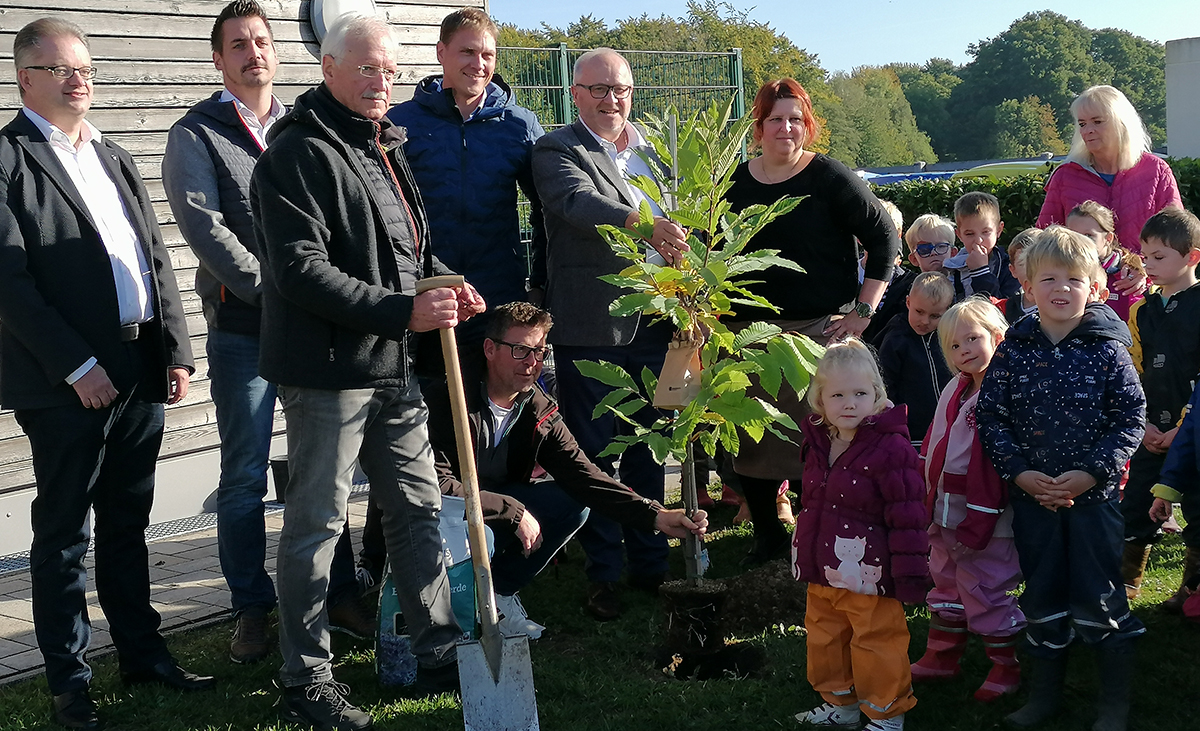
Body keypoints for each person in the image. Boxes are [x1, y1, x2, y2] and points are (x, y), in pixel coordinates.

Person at [250, 13, 485, 730]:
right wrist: (400, 312)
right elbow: (299, 272)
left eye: (387, 69)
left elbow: (406, 255)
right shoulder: (296, 155)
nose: (381, 81)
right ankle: (305, 679)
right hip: (328, 375)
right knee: (317, 526)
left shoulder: (385, 145)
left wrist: (446, 281)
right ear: (327, 69)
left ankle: (437, 645)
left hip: (393, 367)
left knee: (416, 507)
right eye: (365, 69)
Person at [0, 17, 212, 730]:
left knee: (128, 522)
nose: (78, 78)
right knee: (63, 535)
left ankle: (142, 651)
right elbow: (10, 283)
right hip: (65, 380)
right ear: (25, 78)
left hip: (138, 363)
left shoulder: (112, 153)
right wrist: (77, 365)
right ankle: (69, 682)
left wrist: (175, 347)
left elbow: (152, 255)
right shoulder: (8, 160)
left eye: (84, 67)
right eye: (60, 68)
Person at [161, 0, 369, 665]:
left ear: (277, 52)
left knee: (321, 465)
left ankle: (337, 589)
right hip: (245, 330)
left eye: (261, 40)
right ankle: (251, 607)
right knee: (247, 472)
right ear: (218, 59)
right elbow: (206, 231)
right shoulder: (196, 134)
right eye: (238, 44)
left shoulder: (307, 125)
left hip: (315, 329)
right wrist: (283, 290)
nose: (254, 52)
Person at [424, 301, 709, 638]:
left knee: (572, 503)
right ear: (489, 348)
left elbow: (583, 475)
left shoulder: (539, 408)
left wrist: (656, 516)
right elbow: (434, 484)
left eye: (540, 352)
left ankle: (497, 594)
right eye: (520, 350)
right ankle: (441, 604)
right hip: (438, 515)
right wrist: (511, 511)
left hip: (492, 508)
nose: (531, 363)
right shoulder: (449, 395)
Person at [531, 48, 688, 620]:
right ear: (575, 93)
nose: (610, 98)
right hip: (592, 326)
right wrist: (644, 224)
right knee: (593, 456)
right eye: (597, 88)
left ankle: (652, 563)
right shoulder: (554, 148)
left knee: (653, 445)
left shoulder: (660, 155)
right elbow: (574, 202)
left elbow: (694, 216)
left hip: (663, 322)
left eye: (618, 88)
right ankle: (604, 572)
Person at [721, 78, 902, 567]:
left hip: (817, 331)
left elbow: (884, 237)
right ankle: (768, 537)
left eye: (795, 119)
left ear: (808, 126)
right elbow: (708, 249)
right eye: (775, 119)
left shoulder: (828, 177)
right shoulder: (732, 184)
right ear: (758, 127)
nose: (786, 128)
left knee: (816, 438)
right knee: (753, 439)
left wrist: (863, 310)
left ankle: (818, 532)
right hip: (747, 334)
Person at [977, 227, 1145, 731]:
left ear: (1095, 287)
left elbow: (1131, 417)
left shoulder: (1108, 350)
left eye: (1075, 279)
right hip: (1033, 502)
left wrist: (1091, 472)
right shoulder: (1013, 350)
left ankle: (1113, 704)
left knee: (1098, 593)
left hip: (1093, 502)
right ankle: (1044, 695)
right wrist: (1021, 473)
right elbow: (991, 418)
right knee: (1043, 592)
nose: (1061, 288)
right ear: (1028, 288)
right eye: (1049, 278)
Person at [791, 339, 929, 731]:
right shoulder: (818, 441)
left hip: (872, 571)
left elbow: (908, 515)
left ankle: (886, 712)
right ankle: (842, 702)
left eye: (860, 393)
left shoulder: (891, 449)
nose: (849, 403)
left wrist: (911, 574)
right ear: (819, 399)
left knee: (876, 639)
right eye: (837, 394)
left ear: (877, 395)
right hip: (823, 565)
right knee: (824, 635)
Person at [386, 7, 545, 342]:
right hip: (424, 295)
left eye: (487, 54)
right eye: (467, 52)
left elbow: (547, 209)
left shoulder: (520, 126)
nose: (478, 64)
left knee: (494, 395)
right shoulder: (400, 124)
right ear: (441, 52)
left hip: (497, 297)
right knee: (433, 394)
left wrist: (539, 282)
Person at [912, 298, 1025, 702]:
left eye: (973, 339)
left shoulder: (1001, 392)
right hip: (945, 512)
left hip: (985, 520)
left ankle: (1006, 665)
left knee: (985, 586)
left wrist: (977, 525)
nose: (964, 352)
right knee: (944, 582)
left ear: (998, 337)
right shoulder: (956, 387)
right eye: (955, 346)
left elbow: (990, 468)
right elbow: (934, 439)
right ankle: (942, 657)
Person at [1122, 207, 1200, 604]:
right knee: (1138, 502)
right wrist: (1144, 424)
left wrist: (1185, 426)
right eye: (1145, 255)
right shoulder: (1143, 309)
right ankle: (1127, 583)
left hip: (1194, 433)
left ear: (1192, 257)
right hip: (1151, 430)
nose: (1149, 265)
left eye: (1159, 257)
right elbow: (1133, 372)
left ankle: (1190, 588)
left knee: (1198, 510)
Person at [1037, 85, 1182, 256]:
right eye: (1082, 124)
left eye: (1097, 121)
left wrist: (1144, 270)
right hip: (1082, 280)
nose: (1087, 130)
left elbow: (1177, 236)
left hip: (1146, 280)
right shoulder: (1065, 176)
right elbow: (1044, 240)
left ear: (1121, 122)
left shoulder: (1156, 171)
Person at [877, 271, 954, 450]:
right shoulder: (896, 338)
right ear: (908, 302)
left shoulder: (948, 336)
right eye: (919, 312)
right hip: (911, 433)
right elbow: (885, 383)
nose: (924, 321)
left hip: (948, 430)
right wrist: (894, 424)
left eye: (935, 316)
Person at [864, 213, 957, 348]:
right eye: (924, 249)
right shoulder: (903, 289)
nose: (933, 253)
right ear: (913, 258)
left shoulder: (963, 285)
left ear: (953, 252)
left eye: (941, 246)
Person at [1065, 200, 1146, 321]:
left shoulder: (1130, 274)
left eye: (1088, 236)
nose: (1080, 242)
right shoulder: (1059, 271)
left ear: (1108, 238)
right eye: (1073, 235)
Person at [943, 191, 1020, 302]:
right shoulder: (953, 268)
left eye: (985, 232)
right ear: (959, 235)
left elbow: (1003, 309)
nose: (978, 240)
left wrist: (980, 272)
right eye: (969, 234)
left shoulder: (1009, 268)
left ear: (999, 230)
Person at [989, 227, 1040, 324]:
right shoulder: (1002, 309)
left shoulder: (1058, 307)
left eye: (1038, 262)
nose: (1031, 269)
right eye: (1023, 264)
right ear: (1013, 270)